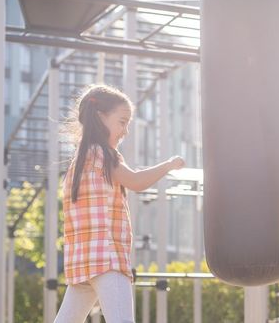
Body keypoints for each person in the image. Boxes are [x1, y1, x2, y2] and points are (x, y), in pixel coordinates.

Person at [55, 85, 184, 323]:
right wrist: (168, 165)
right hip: (107, 257)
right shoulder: (104, 155)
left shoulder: (79, 161)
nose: (125, 130)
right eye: (122, 122)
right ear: (101, 116)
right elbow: (135, 181)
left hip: (83, 260)